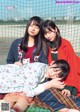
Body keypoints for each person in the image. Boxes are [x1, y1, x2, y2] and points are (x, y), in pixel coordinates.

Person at [34, 19, 80, 112]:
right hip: (53, 82)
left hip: (68, 81)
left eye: (49, 32)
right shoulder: (46, 46)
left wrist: (70, 87)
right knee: (40, 97)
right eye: (45, 34)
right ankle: (65, 109)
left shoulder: (65, 44)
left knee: (49, 95)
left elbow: (73, 66)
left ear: (55, 29)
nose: (48, 36)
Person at [0, 60, 69, 112]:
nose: (52, 74)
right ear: (52, 63)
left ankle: (7, 110)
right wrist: (49, 84)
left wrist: (64, 88)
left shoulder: (44, 73)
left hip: (11, 89)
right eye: (54, 70)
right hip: (4, 81)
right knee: (22, 98)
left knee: (13, 99)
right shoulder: (39, 69)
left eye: (57, 75)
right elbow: (29, 92)